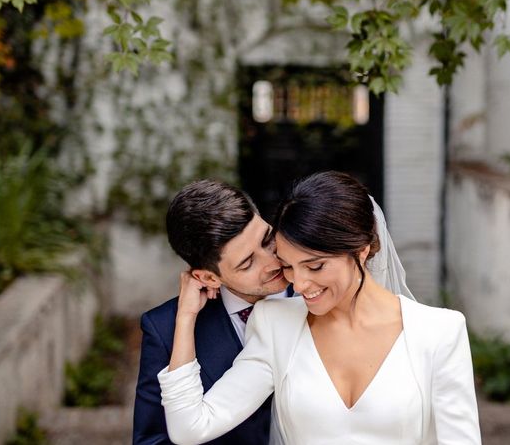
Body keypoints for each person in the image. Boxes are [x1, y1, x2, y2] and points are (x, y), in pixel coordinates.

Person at [158, 171, 482, 444]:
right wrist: (186, 317)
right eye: (287, 266)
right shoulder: (275, 323)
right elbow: (191, 427)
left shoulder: (440, 332)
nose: (298, 286)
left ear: (362, 249)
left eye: (314, 267)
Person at [133, 180, 291, 445]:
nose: (272, 262)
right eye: (247, 263)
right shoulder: (164, 329)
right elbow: (153, 440)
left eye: (267, 240)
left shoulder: (320, 295)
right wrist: (186, 318)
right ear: (208, 277)